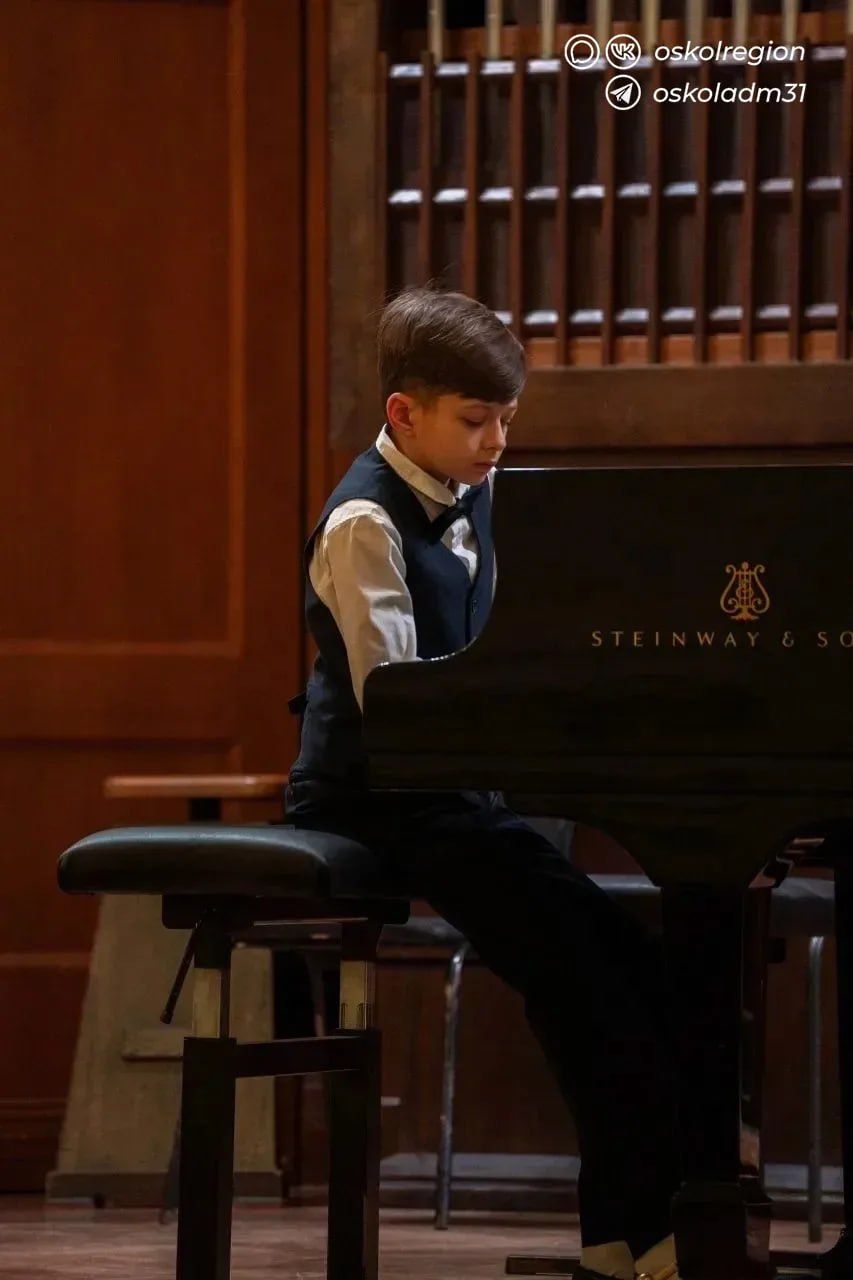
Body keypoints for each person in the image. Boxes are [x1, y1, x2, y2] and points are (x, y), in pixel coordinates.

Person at [286, 284, 682, 1280]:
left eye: (506, 418)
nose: (497, 442)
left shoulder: (473, 491)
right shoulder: (364, 520)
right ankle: (646, 1227)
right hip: (377, 795)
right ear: (402, 413)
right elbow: (398, 706)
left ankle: (625, 1231)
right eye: (475, 420)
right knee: (597, 959)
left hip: (448, 791)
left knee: (596, 964)